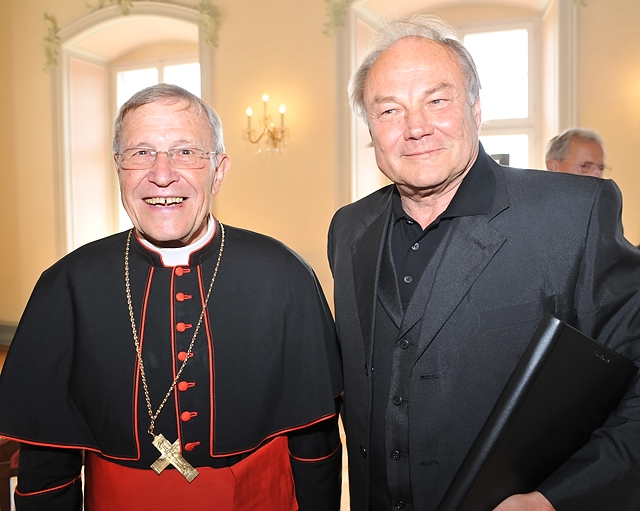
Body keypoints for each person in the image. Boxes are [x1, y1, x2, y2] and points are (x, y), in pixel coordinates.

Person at [327, 14, 640, 511]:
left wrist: (552, 500)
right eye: (388, 110)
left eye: (437, 101)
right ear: (370, 129)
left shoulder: (574, 216)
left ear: (475, 107)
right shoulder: (348, 229)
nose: (416, 127)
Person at [0, 84, 343, 510]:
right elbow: (47, 466)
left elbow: (315, 443)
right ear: (118, 168)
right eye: (141, 152)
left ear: (218, 171)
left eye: (185, 152)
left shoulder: (284, 275)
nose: (162, 174)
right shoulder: (66, 285)